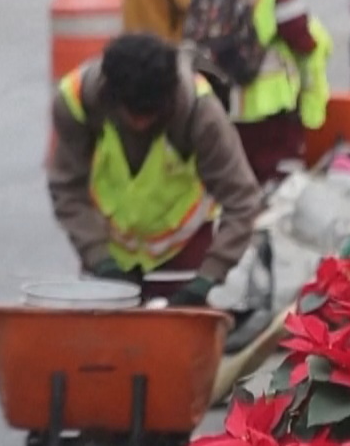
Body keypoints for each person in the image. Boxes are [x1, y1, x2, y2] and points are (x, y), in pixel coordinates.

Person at [49, 33, 265, 307]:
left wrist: (208, 277)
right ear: (111, 97)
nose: (140, 124)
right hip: (108, 246)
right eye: (133, 114)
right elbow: (68, 189)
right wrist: (99, 258)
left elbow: (243, 200)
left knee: (176, 339)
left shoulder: (200, 113)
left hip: (182, 246)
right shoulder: (78, 103)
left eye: (150, 115)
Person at [190, 0, 333, 188]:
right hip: (269, 100)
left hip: (218, 96)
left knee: (231, 186)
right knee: (277, 184)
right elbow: (296, 30)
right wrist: (314, 47)